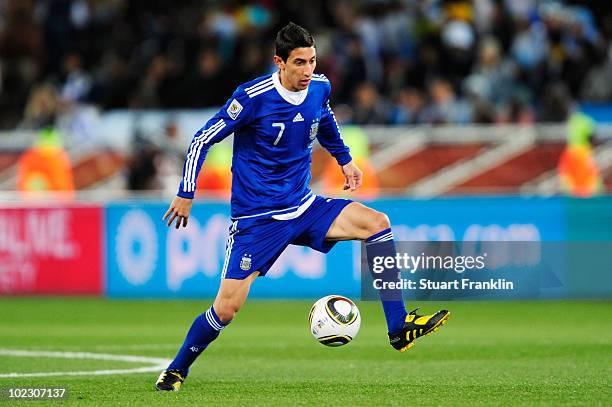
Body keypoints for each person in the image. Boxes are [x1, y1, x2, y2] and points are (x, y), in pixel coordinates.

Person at [156, 22, 450, 392]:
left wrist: (345, 159)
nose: (308, 70)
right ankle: (176, 369)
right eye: (299, 63)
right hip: (257, 219)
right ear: (279, 62)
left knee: (377, 223)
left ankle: (398, 325)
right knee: (226, 310)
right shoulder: (252, 97)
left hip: (304, 204)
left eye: (312, 61)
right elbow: (202, 139)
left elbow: (323, 118)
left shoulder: (319, 87)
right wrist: (186, 191)